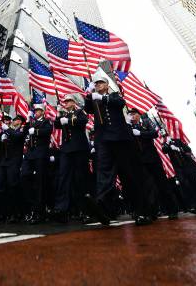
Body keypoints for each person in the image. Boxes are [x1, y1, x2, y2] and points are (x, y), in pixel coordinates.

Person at [84, 69, 152, 226]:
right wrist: (88, 96)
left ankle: (141, 210)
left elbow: (120, 103)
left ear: (107, 85)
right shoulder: (94, 98)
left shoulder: (114, 95)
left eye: (100, 83)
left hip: (120, 139)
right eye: (96, 83)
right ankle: (102, 206)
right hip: (103, 141)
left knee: (129, 175)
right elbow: (88, 109)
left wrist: (102, 97)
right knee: (104, 173)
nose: (98, 85)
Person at [129, 108, 178, 219]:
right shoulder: (129, 126)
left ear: (138, 115)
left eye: (133, 114)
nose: (131, 116)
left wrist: (140, 133)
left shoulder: (146, 122)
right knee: (148, 187)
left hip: (152, 158)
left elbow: (154, 133)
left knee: (162, 183)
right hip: (141, 161)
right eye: (130, 114)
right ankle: (153, 212)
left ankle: (172, 209)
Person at [0, 115, 27, 225]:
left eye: (17, 120)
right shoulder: (9, 131)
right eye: (14, 119)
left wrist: (8, 129)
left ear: (21, 122)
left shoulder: (22, 130)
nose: (14, 121)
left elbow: (18, 137)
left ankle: (14, 214)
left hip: (15, 161)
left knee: (12, 186)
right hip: (4, 161)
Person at [52, 94, 89, 223]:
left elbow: (84, 121)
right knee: (63, 178)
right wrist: (58, 114)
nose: (66, 103)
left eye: (68, 101)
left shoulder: (79, 112)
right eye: (65, 101)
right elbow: (56, 125)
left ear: (74, 102)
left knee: (80, 178)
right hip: (66, 149)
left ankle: (84, 210)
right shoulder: (63, 115)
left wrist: (69, 121)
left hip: (79, 148)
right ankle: (62, 209)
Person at [21, 104, 53, 224]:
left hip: (40, 154)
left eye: (38, 110)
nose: (36, 112)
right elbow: (25, 132)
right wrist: (28, 121)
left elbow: (48, 131)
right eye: (35, 111)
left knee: (39, 182)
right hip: (30, 155)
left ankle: (39, 212)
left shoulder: (46, 121)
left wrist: (36, 131)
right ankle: (32, 207)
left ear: (43, 112)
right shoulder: (32, 122)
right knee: (24, 177)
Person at [163, 138, 196, 213]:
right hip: (179, 169)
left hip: (188, 165)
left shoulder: (178, 141)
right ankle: (193, 206)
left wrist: (178, 148)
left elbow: (188, 150)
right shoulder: (166, 144)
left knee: (195, 184)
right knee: (185, 186)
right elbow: (164, 150)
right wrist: (167, 143)